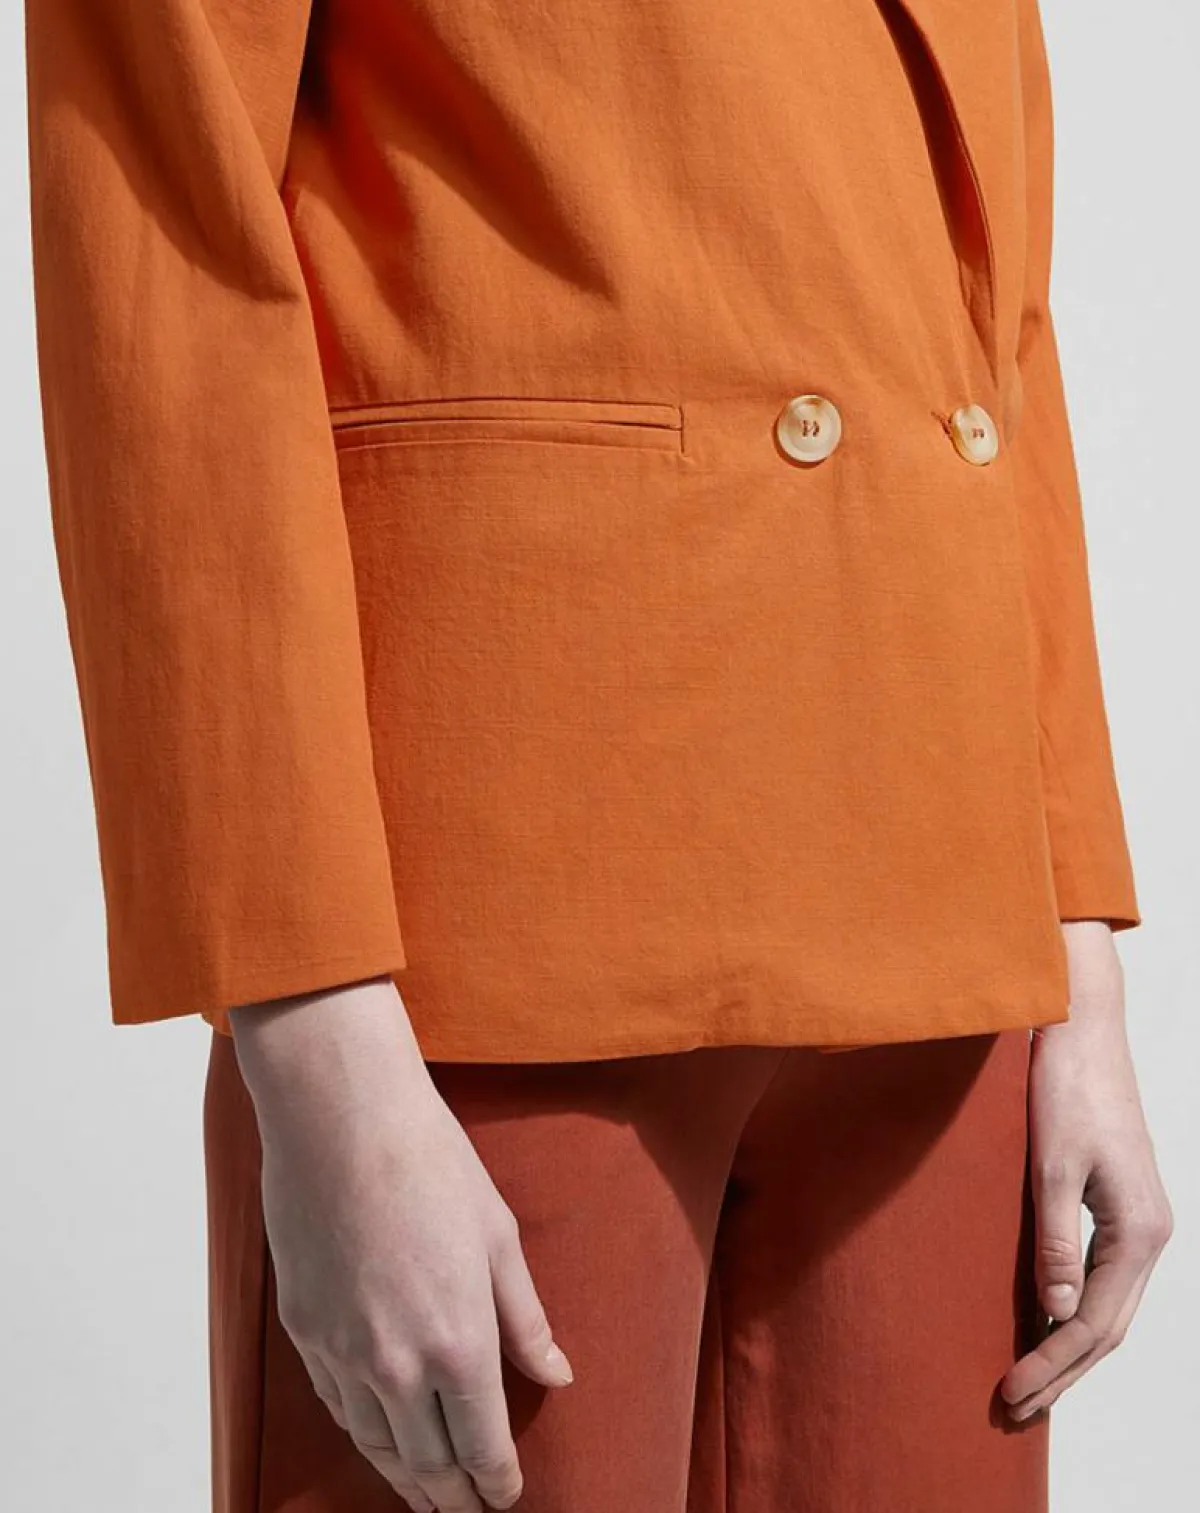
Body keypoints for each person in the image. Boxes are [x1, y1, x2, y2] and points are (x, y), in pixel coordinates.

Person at [24, 1, 1172, 1510]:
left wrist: (1077, 942)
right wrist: (311, 1034)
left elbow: (997, 296)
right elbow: (168, 266)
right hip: (493, 928)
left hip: (947, 921)